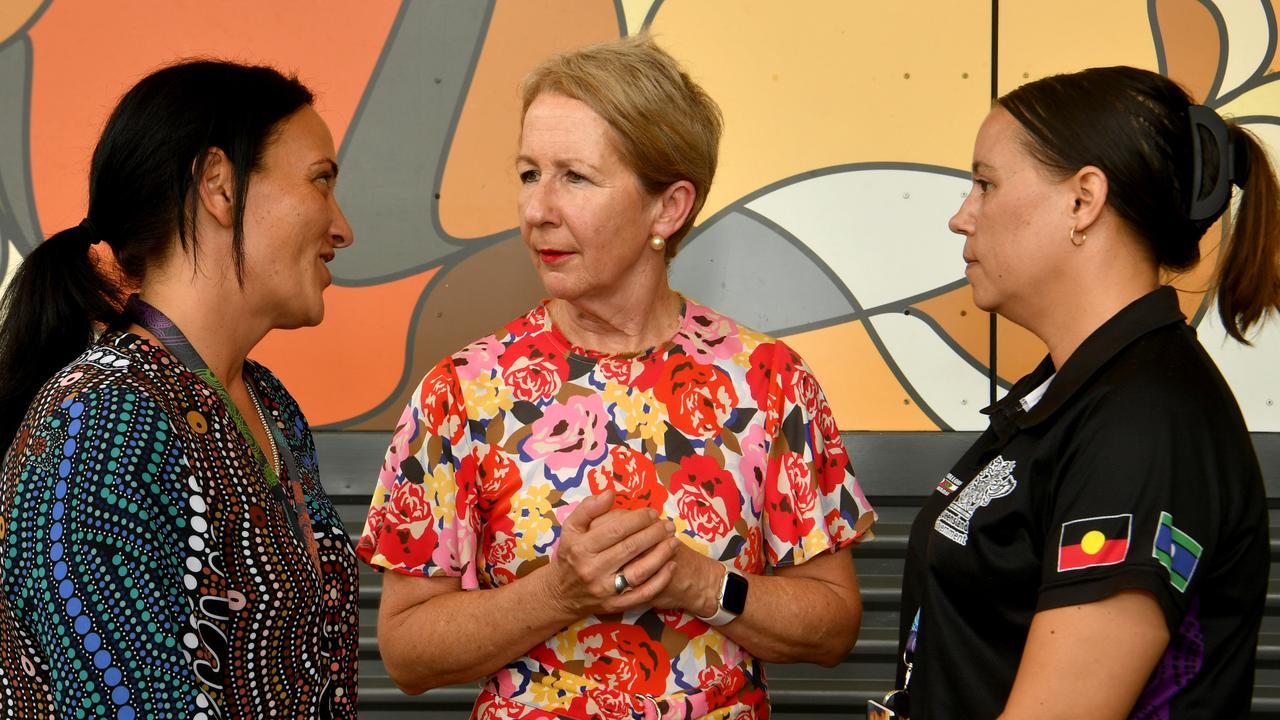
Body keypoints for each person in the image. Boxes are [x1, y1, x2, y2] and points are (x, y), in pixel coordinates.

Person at [357, 35, 875, 719]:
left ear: (668, 207)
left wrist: (700, 584)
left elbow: (834, 625)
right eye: (527, 173)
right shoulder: (462, 391)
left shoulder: (768, 382)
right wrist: (558, 593)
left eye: (574, 176)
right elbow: (407, 652)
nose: (537, 208)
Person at [890, 66, 1278, 719]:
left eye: (985, 184)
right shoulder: (1074, 391)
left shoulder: (1146, 424)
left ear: (1083, 200)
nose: (962, 218)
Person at [0, 60, 360, 719]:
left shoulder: (269, 403)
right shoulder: (98, 424)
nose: (342, 228)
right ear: (219, 187)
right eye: (320, 183)